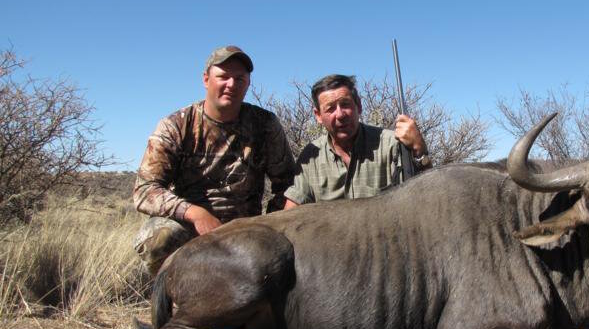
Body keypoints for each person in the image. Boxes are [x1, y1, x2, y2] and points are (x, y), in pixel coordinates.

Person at [133, 45, 295, 275]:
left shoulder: (265, 124)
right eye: (224, 77)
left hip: (248, 227)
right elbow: (145, 190)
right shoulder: (176, 125)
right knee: (156, 240)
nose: (231, 84)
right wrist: (196, 214)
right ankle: (175, 300)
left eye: (240, 78)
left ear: (248, 83)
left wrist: (272, 224)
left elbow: (287, 184)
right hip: (190, 226)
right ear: (206, 79)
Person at [284, 74, 431, 207]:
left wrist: (419, 149)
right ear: (318, 116)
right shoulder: (311, 157)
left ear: (359, 106)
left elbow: (426, 195)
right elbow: (290, 215)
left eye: (345, 104)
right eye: (330, 109)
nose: (340, 114)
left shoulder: (391, 143)